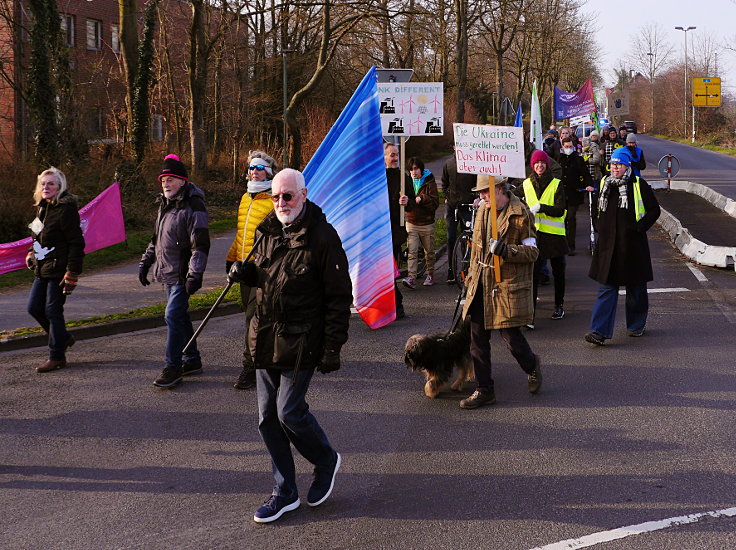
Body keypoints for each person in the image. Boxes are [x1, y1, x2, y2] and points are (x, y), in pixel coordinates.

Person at [227, 168, 352, 523]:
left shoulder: (323, 237)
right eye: (276, 196)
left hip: (302, 341)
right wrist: (244, 273)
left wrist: (332, 347)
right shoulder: (267, 230)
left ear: (304, 195)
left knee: (288, 412)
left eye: (288, 196)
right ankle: (284, 491)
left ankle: (325, 459)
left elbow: (340, 296)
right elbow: (262, 274)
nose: (281, 202)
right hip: (264, 336)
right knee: (267, 419)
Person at [459, 176, 542, 409]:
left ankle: (532, 365)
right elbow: (476, 250)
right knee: (477, 340)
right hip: (481, 283)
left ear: (498, 189)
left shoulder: (520, 213)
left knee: (511, 338)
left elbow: (532, 252)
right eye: (480, 193)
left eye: (485, 192)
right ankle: (484, 389)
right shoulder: (483, 211)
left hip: (504, 285)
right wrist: (469, 281)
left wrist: (506, 250)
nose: (481, 197)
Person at [138, 154, 210, 388]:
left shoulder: (194, 205)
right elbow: (156, 238)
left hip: (182, 275)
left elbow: (200, 243)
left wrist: (195, 275)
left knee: (171, 315)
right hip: (166, 273)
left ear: (181, 181)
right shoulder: (165, 204)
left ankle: (173, 366)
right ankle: (192, 359)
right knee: (180, 316)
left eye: (169, 179)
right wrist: (145, 262)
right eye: (162, 180)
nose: (165, 184)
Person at [584, 148, 660, 345]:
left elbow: (654, 210)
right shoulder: (604, 183)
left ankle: (636, 325)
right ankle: (598, 331)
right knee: (606, 288)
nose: (615, 167)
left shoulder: (638, 184)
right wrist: (598, 226)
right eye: (613, 164)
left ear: (628, 165)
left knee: (636, 289)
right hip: (608, 246)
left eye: (619, 164)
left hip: (632, 246)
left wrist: (639, 228)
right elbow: (595, 208)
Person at [226, 151, 278, 389]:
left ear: (268, 172)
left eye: (260, 167)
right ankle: (266, 359)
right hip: (243, 268)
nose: (255, 171)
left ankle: (251, 366)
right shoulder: (245, 198)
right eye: (252, 168)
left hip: (262, 270)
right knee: (255, 319)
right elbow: (241, 233)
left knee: (252, 319)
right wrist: (232, 258)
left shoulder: (275, 200)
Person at [26, 167, 85, 373]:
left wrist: (73, 272)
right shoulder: (42, 207)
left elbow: (77, 243)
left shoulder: (66, 210)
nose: (46, 187)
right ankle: (63, 337)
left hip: (60, 269)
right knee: (34, 308)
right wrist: (30, 252)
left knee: (52, 310)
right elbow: (36, 236)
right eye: (43, 184)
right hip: (42, 268)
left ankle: (57, 356)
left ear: (60, 187)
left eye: (51, 183)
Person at [517, 149, 568, 324]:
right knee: (533, 274)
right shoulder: (526, 184)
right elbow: (510, 197)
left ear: (547, 165)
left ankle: (559, 305)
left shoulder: (556, 184)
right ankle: (529, 314)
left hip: (554, 236)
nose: (540, 165)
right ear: (533, 165)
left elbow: (561, 210)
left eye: (543, 163)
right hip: (535, 235)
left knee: (558, 272)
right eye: (537, 163)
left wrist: (542, 207)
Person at [384, 142, 414, 318]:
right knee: (383, 270)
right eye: (392, 155)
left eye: (397, 155)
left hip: (395, 232)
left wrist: (407, 202)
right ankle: (394, 304)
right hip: (379, 231)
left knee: (391, 269)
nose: (395, 158)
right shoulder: (377, 178)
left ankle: (397, 305)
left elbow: (411, 205)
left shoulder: (404, 178)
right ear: (385, 157)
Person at [401, 156, 439, 289]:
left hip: (426, 223)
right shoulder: (406, 181)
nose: (413, 172)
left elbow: (435, 203)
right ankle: (411, 277)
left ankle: (430, 273)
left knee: (429, 251)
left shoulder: (429, 181)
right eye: (411, 169)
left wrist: (422, 199)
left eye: (416, 169)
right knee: (412, 251)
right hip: (411, 221)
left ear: (421, 169)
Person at [441, 149, 477, 283]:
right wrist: (446, 196)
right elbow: (444, 183)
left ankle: (466, 270)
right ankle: (451, 270)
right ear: (454, 147)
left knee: (466, 239)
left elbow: (476, 184)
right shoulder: (448, 163)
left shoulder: (472, 164)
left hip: (467, 206)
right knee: (451, 238)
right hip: (451, 206)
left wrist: (476, 198)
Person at [559, 135, 593, 255]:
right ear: (562, 147)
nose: (568, 148)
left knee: (571, 218)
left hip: (574, 193)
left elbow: (586, 174)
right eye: (566, 146)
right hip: (561, 195)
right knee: (561, 219)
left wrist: (589, 185)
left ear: (573, 147)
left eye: (570, 146)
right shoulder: (558, 159)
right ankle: (562, 244)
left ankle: (571, 245)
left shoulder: (578, 160)